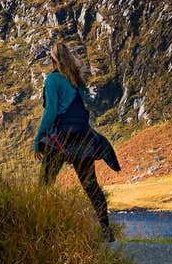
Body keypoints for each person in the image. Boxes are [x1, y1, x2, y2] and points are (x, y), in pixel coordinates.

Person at [33, 41, 120, 242]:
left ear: (52, 59)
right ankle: (106, 230)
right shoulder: (77, 80)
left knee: (44, 183)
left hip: (59, 139)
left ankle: (41, 229)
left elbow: (51, 112)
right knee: (91, 185)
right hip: (82, 138)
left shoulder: (52, 80)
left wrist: (38, 139)